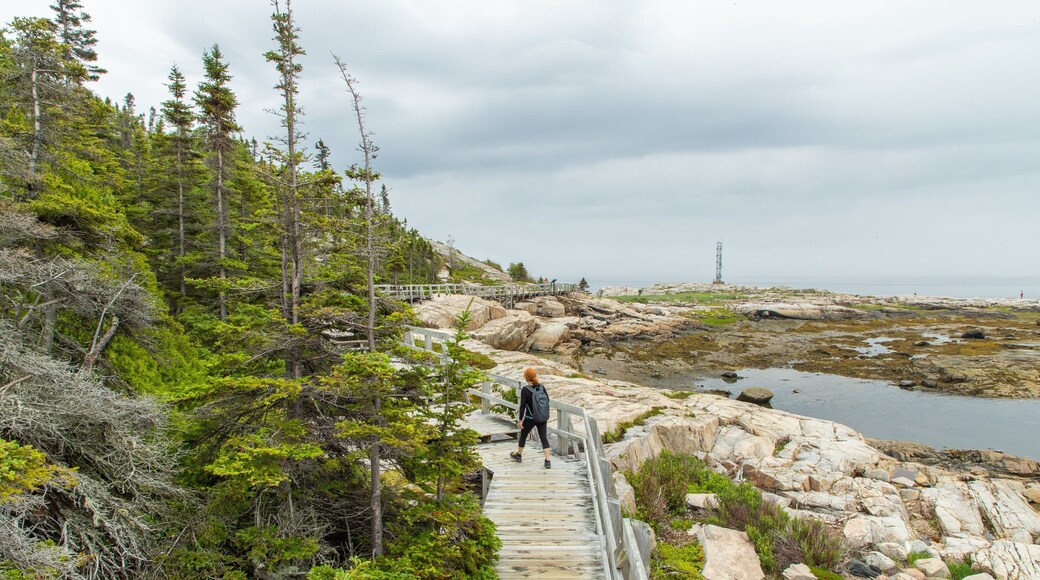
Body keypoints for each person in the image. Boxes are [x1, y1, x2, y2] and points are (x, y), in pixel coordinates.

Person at [510, 368, 552, 468]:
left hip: (530, 417)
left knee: (523, 436)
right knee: (543, 438)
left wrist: (520, 420)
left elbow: (522, 406)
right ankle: (547, 461)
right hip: (542, 417)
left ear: (526, 377)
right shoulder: (542, 387)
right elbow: (547, 400)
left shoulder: (525, 390)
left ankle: (519, 455)